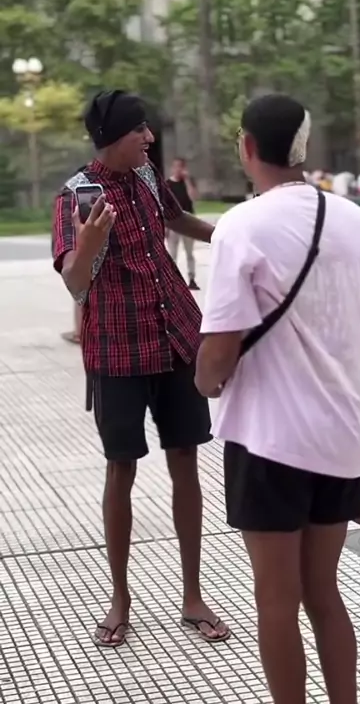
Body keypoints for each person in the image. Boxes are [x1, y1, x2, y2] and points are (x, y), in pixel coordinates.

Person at [195, 94, 360, 704]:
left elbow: (218, 352)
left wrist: (205, 382)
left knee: (276, 601)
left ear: (247, 146)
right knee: (324, 593)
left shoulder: (242, 225)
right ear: (303, 148)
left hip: (268, 440)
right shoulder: (352, 219)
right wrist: (325, 342)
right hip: (339, 434)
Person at [52, 90, 230, 648]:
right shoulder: (75, 196)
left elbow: (180, 220)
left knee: (187, 462)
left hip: (176, 338)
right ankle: (120, 598)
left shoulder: (149, 177)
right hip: (117, 351)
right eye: (139, 131)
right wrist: (89, 243)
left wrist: (233, 234)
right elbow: (74, 280)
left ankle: (193, 595)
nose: (150, 138)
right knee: (121, 469)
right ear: (112, 138)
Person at [166, 158, 200, 291]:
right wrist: (165, 226)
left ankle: (192, 279)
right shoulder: (167, 184)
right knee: (172, 254)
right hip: (173, 222)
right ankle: (172, 281)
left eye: (181, 167)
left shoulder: (189, 182)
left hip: (188, 222)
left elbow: (193, 197)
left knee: (190, 253)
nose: (178, 169)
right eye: (176, 167)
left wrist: (187, 181)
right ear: (172, 168)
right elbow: (164, 205)